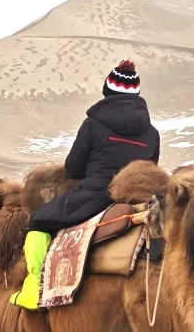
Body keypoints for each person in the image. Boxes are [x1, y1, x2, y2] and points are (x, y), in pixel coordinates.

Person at [10, 60, 160, 310]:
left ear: (108, 90)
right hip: (137, 200)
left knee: (38, 220)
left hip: (96, 196)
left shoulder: (93, 124)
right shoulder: (152, 133)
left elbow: (74, 169)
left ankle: (33, 288)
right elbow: (150, 169)